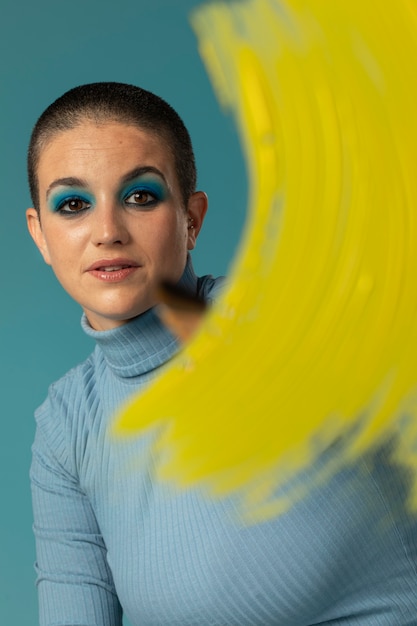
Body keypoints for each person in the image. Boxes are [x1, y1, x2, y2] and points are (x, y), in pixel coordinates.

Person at [27, 82, 417, 626]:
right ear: (40, 234)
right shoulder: (65, 427)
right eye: (73, 204)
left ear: (192, 219)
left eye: (140, 196)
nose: (107, 231)